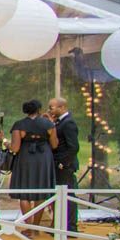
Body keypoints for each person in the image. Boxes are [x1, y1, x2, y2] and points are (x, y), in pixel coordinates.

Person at [8, 99, 58, 237]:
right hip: (43, 158)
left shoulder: (20, 125)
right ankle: (35, 227)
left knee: (24, 193)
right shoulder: (49, 124)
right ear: (39, 109)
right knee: (40, 191)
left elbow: (15, 148)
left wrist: (5, 142)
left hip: (26, 158)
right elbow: (54, 144)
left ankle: (29, 227)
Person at [48, 97, 80, 233]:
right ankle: (60, 225)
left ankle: (70, 227)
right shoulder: (59, 122)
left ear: (62, 107)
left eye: (52, 107)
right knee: (59, 196)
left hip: (65, 166)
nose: (49, 110)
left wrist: (63, 162)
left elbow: (73, 147)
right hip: (59, 164)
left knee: (68, 196)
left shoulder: (68, 123)